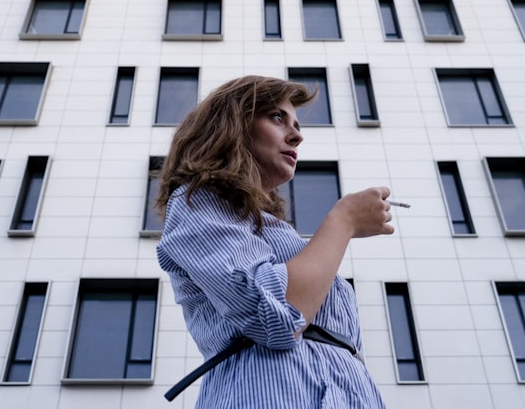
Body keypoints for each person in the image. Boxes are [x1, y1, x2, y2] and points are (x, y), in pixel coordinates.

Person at [156, 75, 393, 408]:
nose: (297, 136)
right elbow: (277, 317)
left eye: (295, 124)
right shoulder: (197, 201)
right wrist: (344, 220)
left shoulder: (275, 231)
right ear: (232, 124)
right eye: (278, 117)